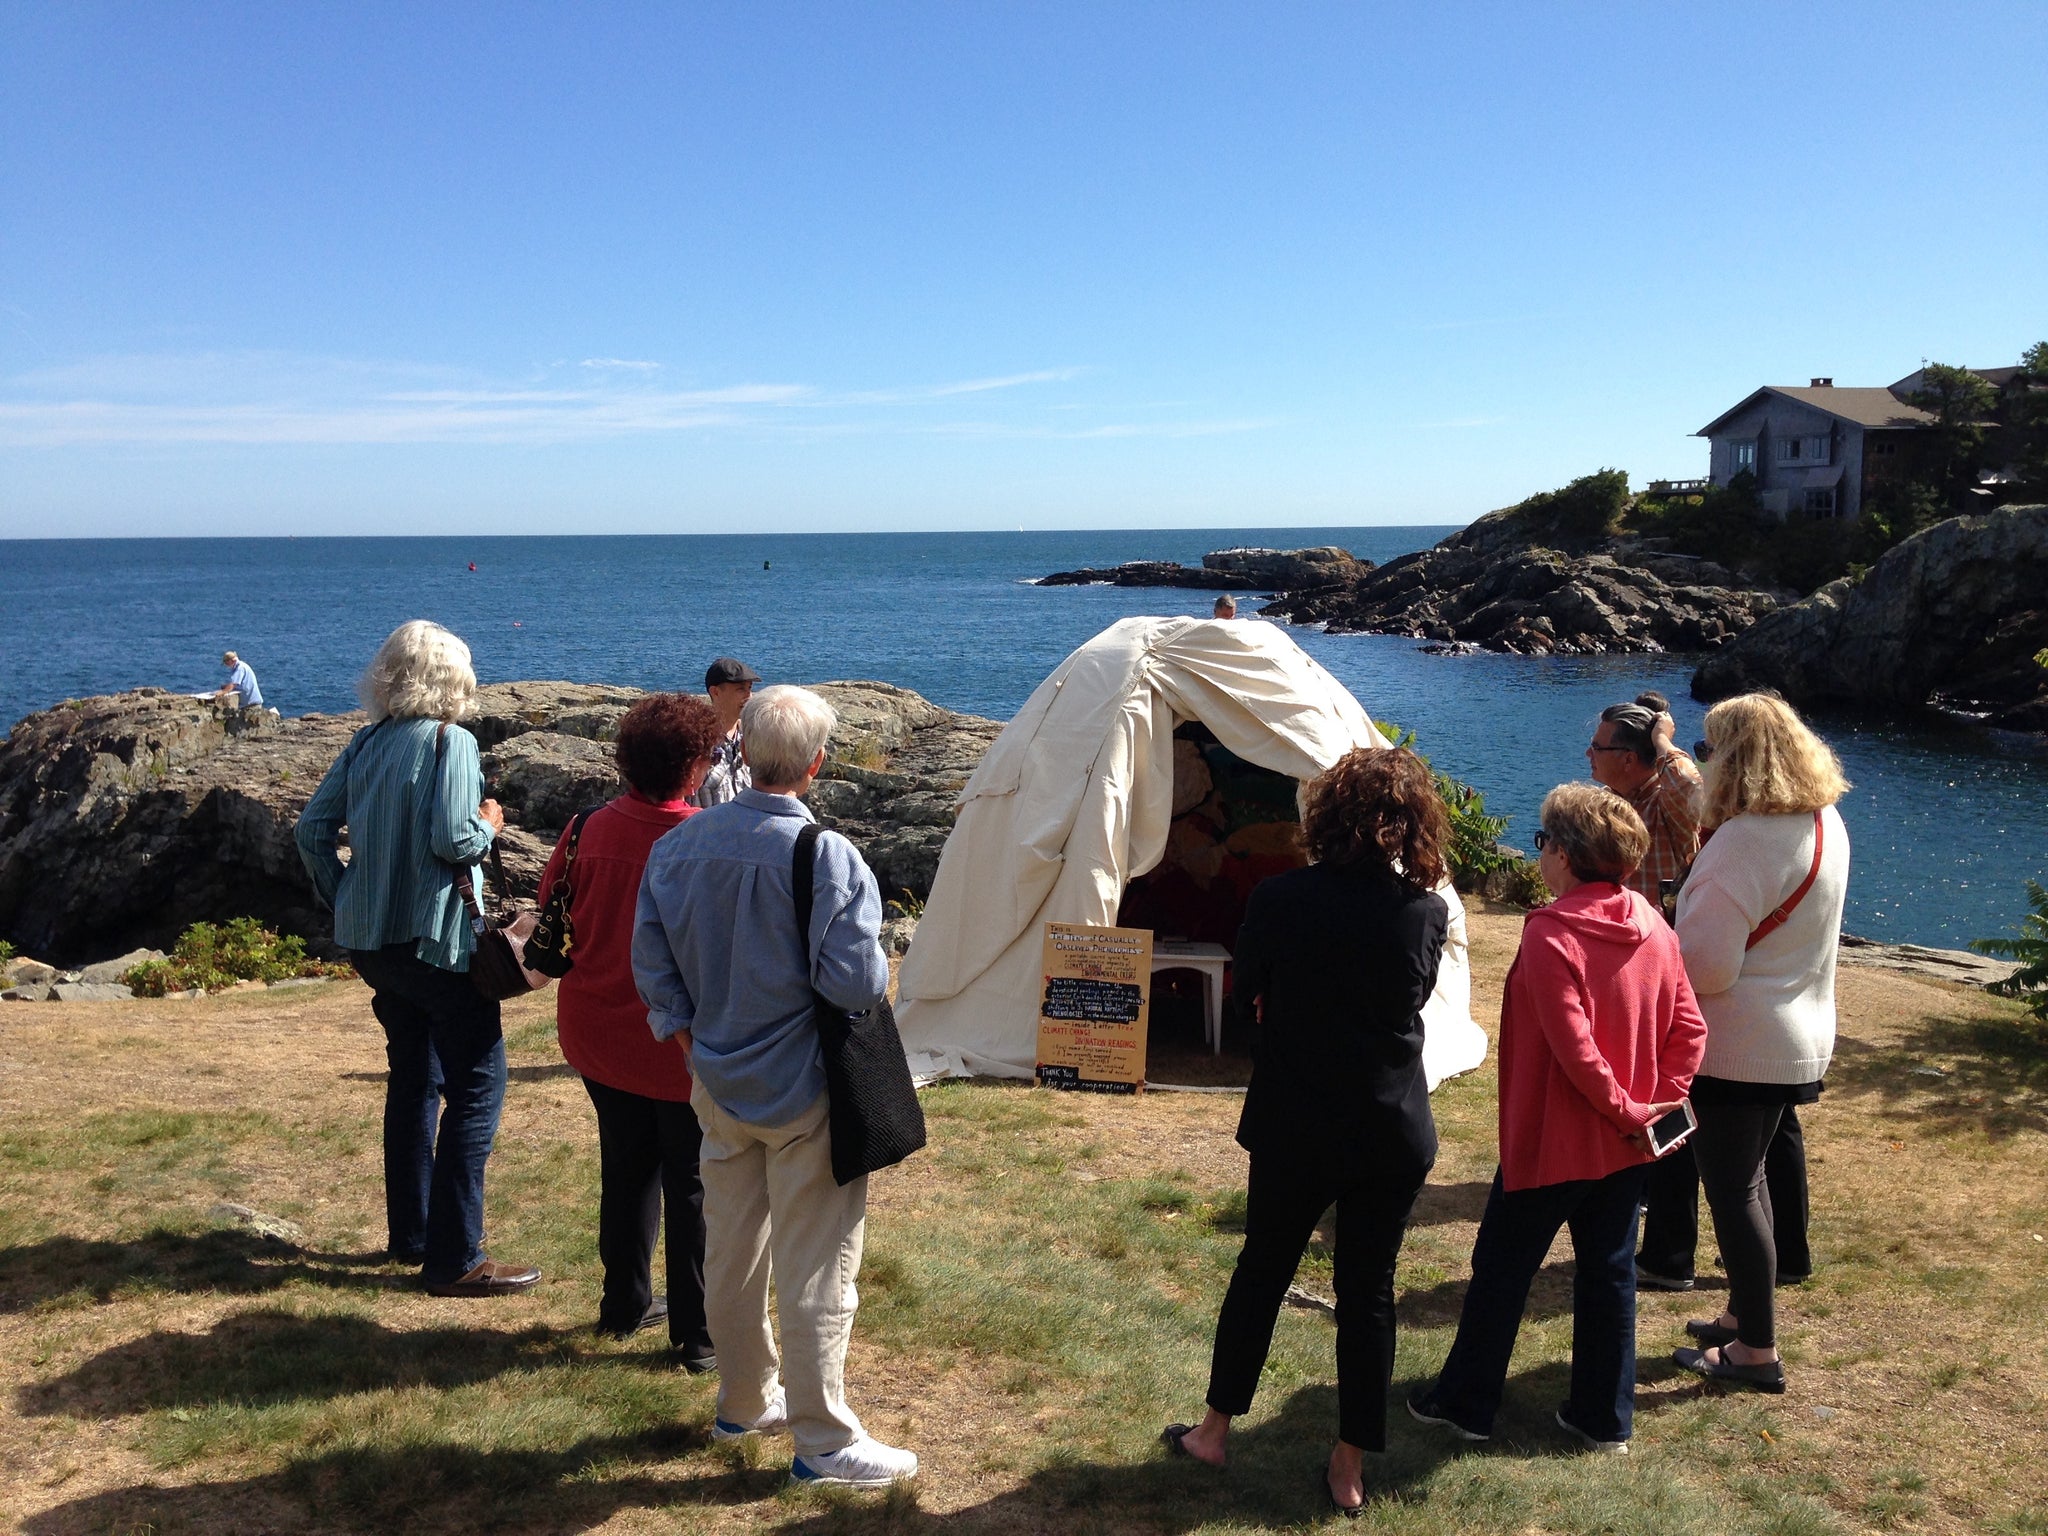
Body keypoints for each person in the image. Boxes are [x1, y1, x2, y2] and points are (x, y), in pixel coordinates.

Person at [633, 684, 916, 1488]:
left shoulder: (679, 846)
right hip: (805, 1088)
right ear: (817, 764)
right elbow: (856, 984)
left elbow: (652, 965)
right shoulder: (827, 855)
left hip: (717, 1079)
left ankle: (743, 1399)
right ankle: (822, 1441)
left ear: (741, 750)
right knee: (818, 1266)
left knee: (731, 1250)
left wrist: (693, 1043)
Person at [1161, 746, 1450, 1515]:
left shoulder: (1281, 898)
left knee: (1262, 1271)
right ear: (1412, 823)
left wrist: (1284, 1002)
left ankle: (1213, 1432)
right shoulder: (1424, 912)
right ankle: (1348, 1467)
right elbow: (1409, 998)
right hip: (1389, 1126)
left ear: (1327, 816)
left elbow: (1248, 988)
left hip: (1297, 1119)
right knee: (1368, 1292)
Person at [1409, 782, 1705, 1454]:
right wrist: (1656, 1105)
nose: (1539, 853)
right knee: (1610, 1274)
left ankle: (1464, 1404)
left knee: (1501, 1269)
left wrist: (1632, 1108)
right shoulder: (1652, 921)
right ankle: (1604, 1417)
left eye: (1543, 842)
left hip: (1552, 1143)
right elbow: (1690, 1027)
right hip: (1626, 1147)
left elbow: (1576, 1053)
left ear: (1565, 855)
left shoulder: (1551, 935)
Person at [294, 620, 538, 1297]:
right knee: (478, 1085)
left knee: (412, 1080)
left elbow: (311, 831)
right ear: (454, 681)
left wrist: (346, 898)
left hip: (374, 945)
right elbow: (453, 839)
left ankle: (412, 1234)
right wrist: (489, 824)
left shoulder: (366, 741)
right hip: (435, 943)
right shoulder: (450, 741)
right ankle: (456, 1257)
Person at [1671, 694, 1850, 1393]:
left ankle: (1756, 1351)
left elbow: (1708, 967)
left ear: (1735, 757)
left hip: (1738, 1043)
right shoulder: (1823, 820)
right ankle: (1744, 1317)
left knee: (1734, 1190)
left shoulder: (1745, 839)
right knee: (1753, 1181)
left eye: (1708, 749)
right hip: (1796, 1031)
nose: (1702, 762)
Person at [540, 692, 724, 1368]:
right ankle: (698, 1335)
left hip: (597, 1031)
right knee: (692, 1183)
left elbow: (551, 902)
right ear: (695, 767)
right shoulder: (706, 839)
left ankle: (623, 1304)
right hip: (675, 1043)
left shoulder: (586, 828)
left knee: (625, 1168)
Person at [1584, 701, 1701, 909]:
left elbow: (1688, 781)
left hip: (1659, 928)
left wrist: (1662, 739)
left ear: (1629, 760)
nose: (1588, 753)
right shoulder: (1601, 804)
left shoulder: (1665, 804)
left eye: (1597, 747)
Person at [691, 656, 759, 808]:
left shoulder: (749, 739)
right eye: (740, 689)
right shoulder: (698, 743)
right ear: (715, 692)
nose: (749, 696)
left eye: (749, 688)